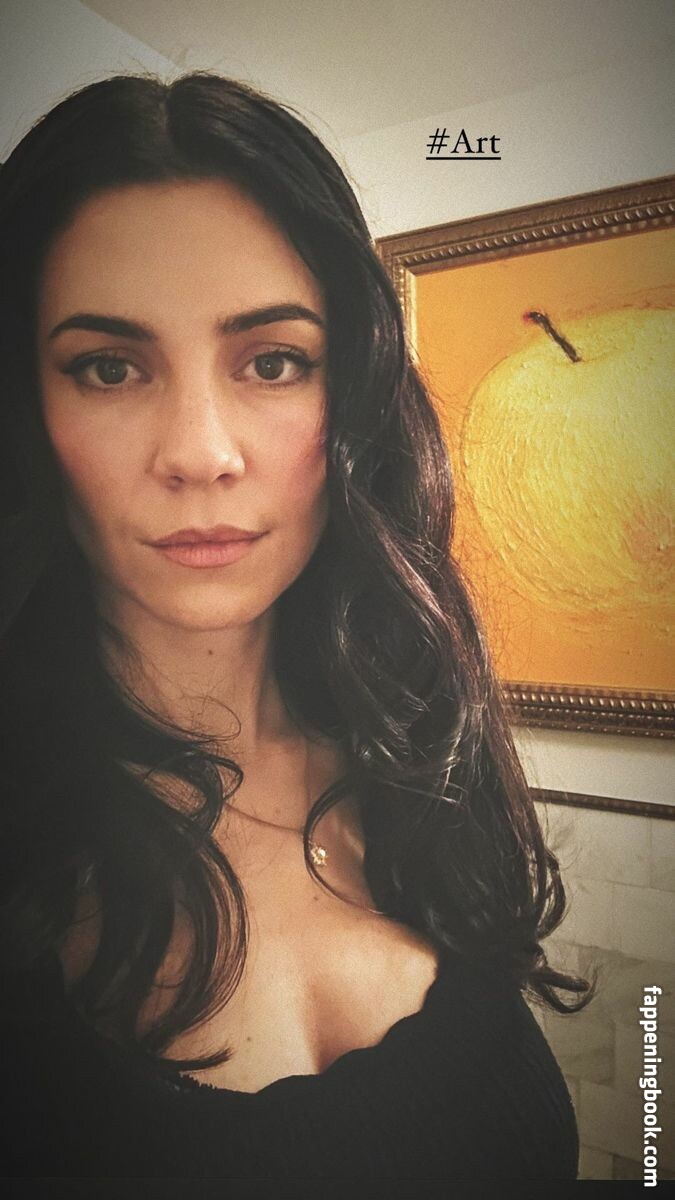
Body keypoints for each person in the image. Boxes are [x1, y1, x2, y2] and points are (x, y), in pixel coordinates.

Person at [0, 71, 593, 1182]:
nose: (201, 452)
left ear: (350, 392)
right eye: (108, 368)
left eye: (272, 361)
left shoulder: (414, 745)